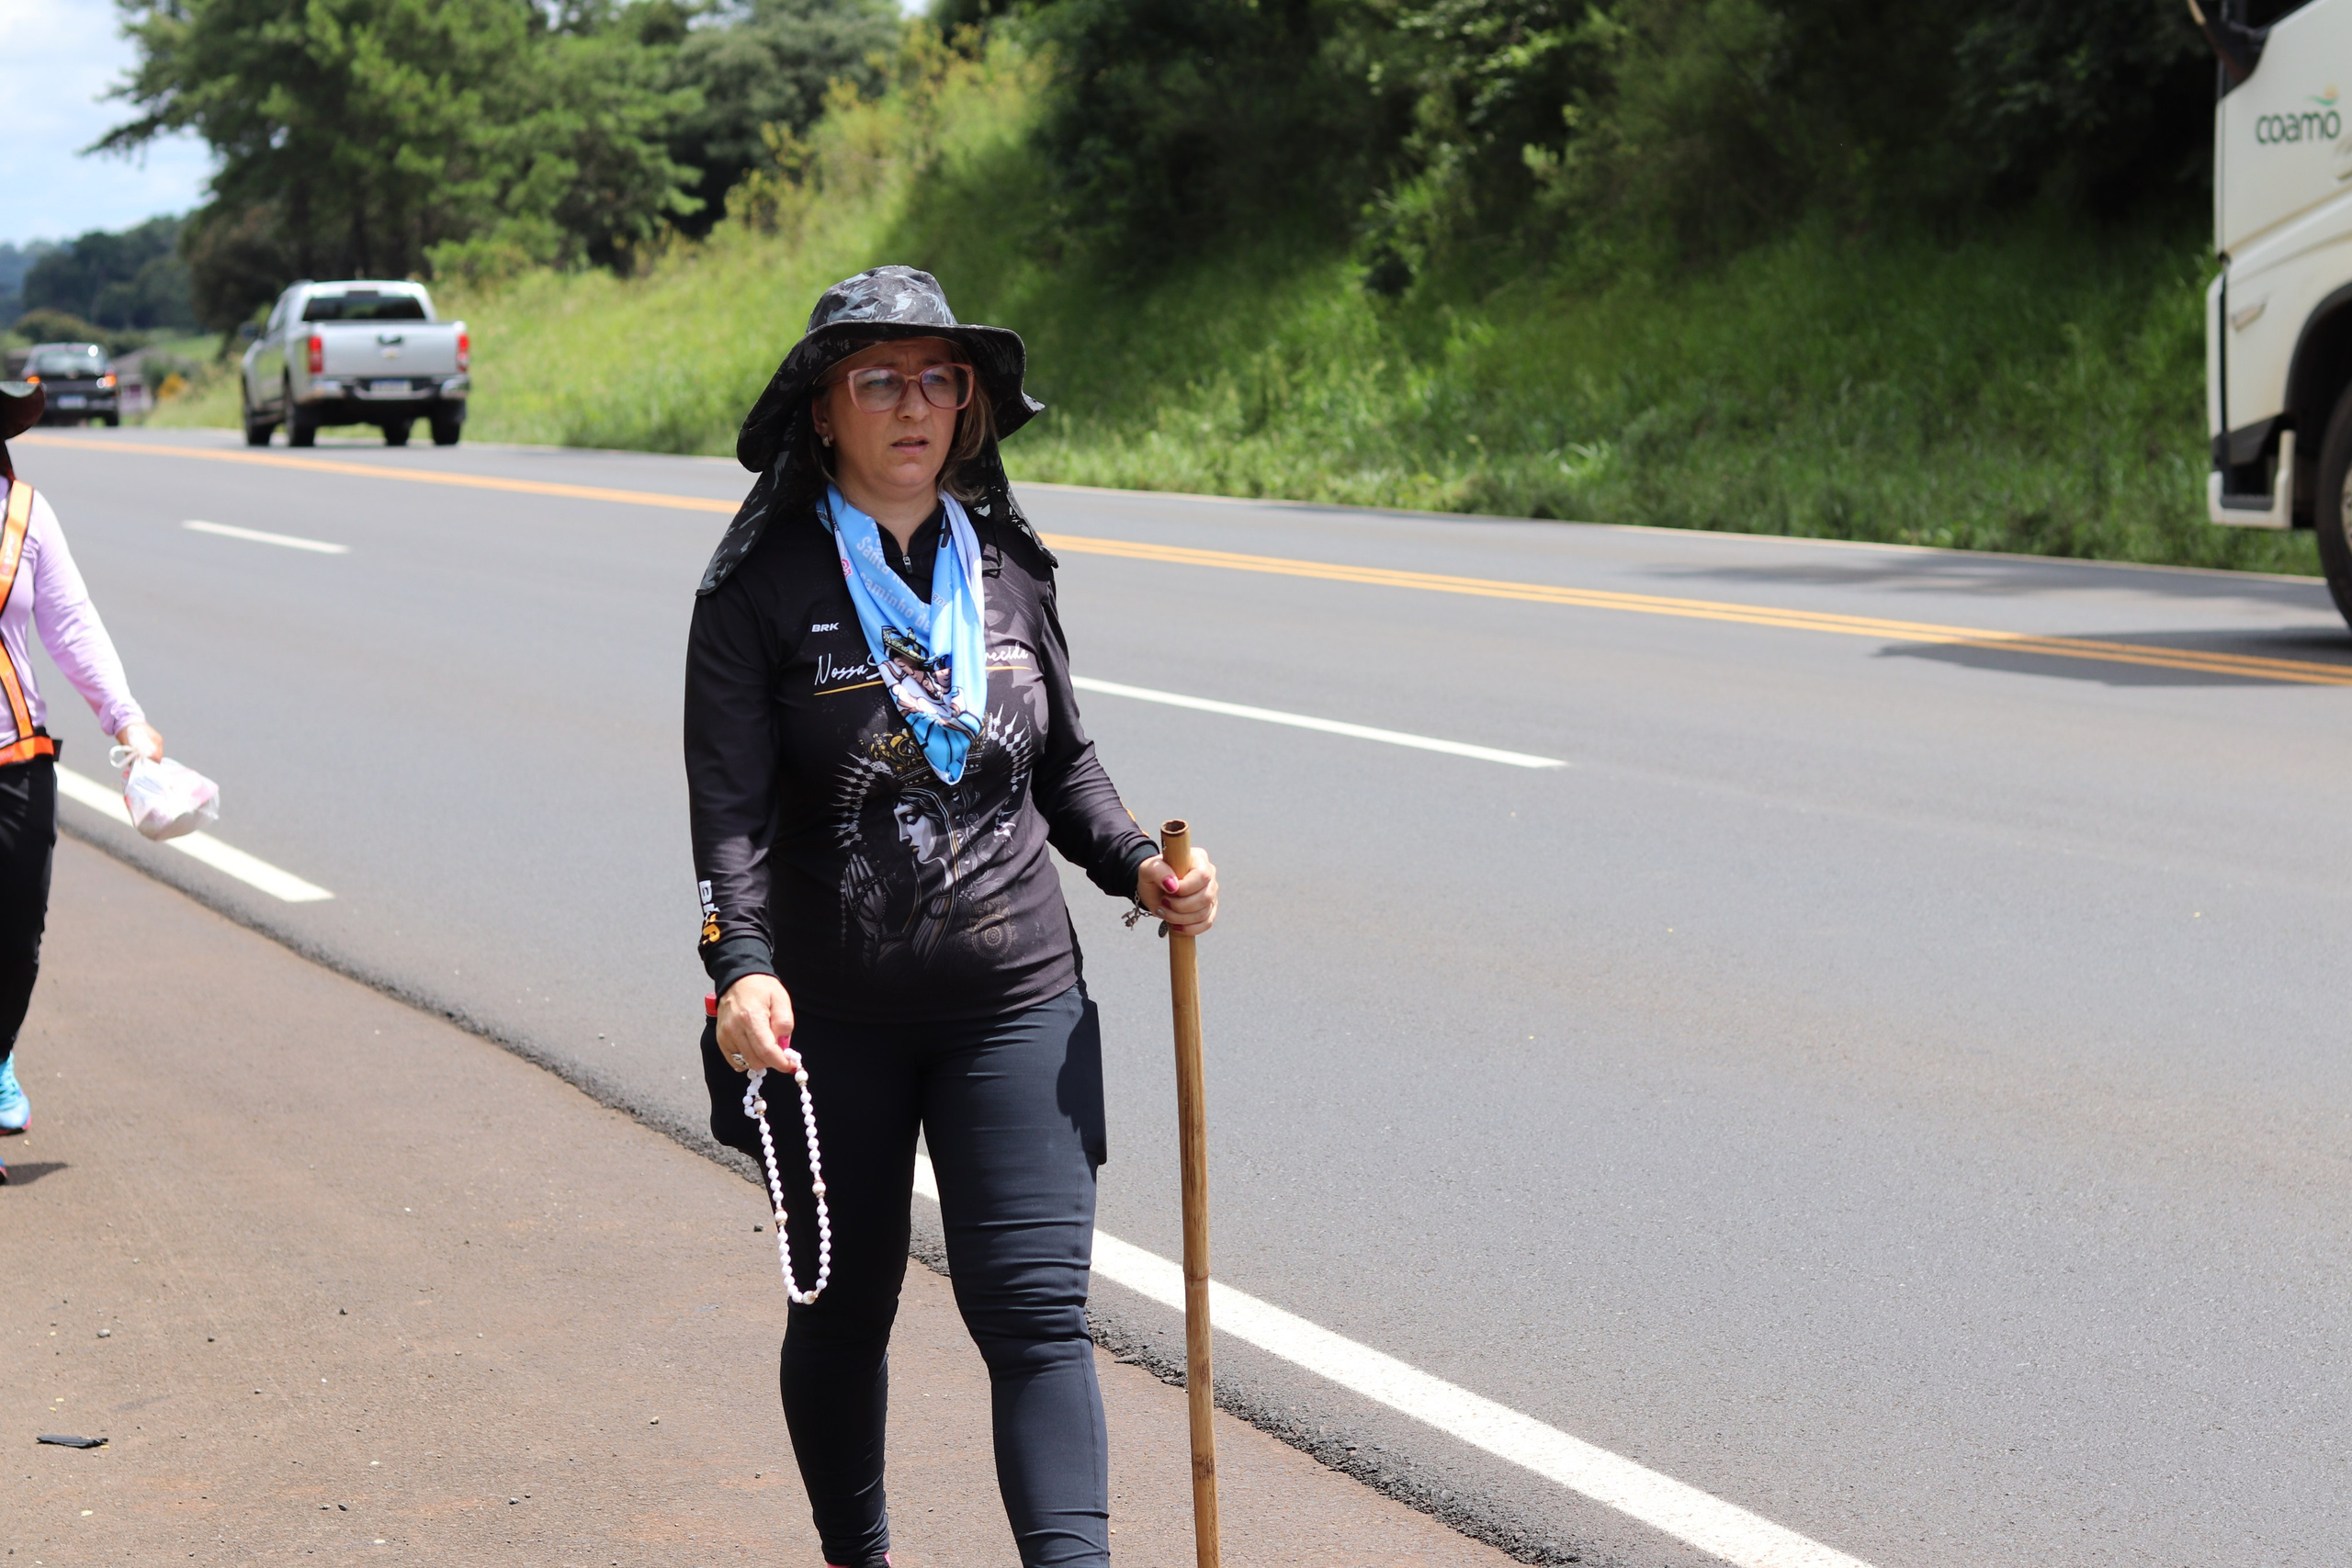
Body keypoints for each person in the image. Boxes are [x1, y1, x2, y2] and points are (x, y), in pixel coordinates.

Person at [685, 265, 1217, 1568]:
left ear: (969, 403)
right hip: (829, 1025)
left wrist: (1143, 866)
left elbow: (1065, 764)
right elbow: (730, 817)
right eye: (879, 378)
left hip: (1018, 1000)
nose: (913, 403)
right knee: (845, 1309)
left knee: (1038, 1313)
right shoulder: (756, 592)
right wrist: (740, 967)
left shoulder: (1008, 570)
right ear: (823, 409)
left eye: (939, 377)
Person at [0, 381, 164, 1181]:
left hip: (14, 764)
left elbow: (71, 623)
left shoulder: (24, 513)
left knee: (16, 942)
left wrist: (127, 722)